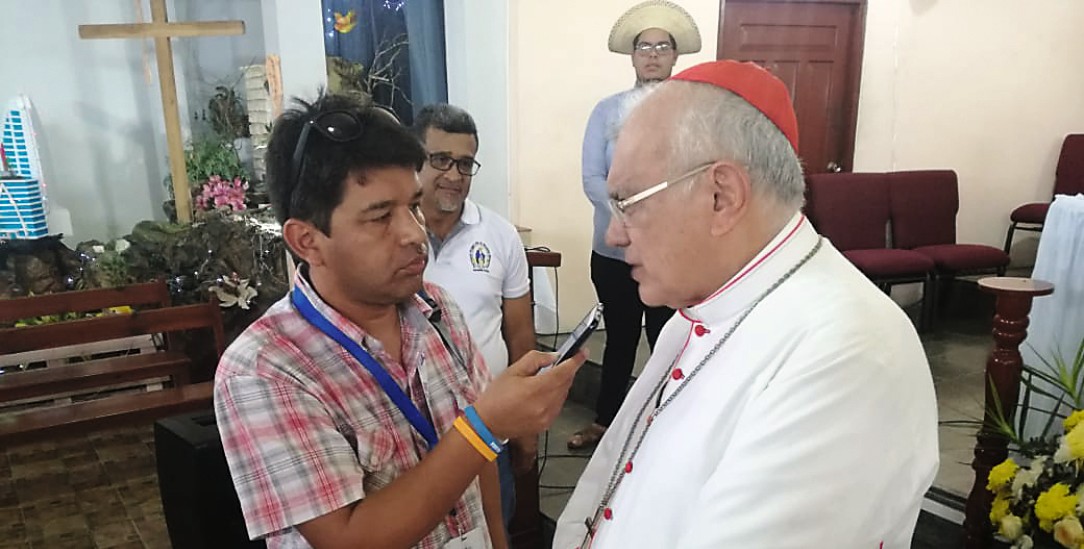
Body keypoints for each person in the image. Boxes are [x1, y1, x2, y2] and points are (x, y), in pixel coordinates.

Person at [554, 60, 939, 548]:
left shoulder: (847, 353)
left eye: (628, 203)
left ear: (722, 196)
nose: (613, 234)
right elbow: (606, 480)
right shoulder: (699, 306)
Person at [213, 92, 586, 549]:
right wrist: (484, 426)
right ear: (307, 240)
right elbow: (347, 539)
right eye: (380, 217)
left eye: (411, 206)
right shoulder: (264, 368)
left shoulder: (437, 310)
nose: (413, 233)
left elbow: (480, 466)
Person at [570, 0, 702, 450]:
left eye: (661, 46)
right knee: (620, 338)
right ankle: (606, 425)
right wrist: (628, 219)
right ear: (632, 55)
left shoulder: (694, 112)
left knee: (669, 338)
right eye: (643, 46)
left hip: (670, 253)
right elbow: (592, 177)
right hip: (613, 249)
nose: (652, 54)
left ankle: (666, 426)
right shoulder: (607, 111)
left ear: (675, 55)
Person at [411, 104, 536, 529]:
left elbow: (521, 337)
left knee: (493, 527)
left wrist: (525, 426)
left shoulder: (498, 234)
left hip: (489, 425)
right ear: (416, 160)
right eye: (440, 160)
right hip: (417, 434)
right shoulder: (394, 237)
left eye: (464, 164)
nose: (453, 175)